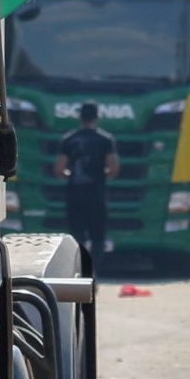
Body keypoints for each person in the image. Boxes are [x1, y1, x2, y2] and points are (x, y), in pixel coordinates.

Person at [55, 101, 119, 273]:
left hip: (74, 194)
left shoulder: (68, 139)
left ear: (80, 117)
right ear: (97, 117)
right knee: (98, 237)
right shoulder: (106, 140)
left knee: (77, 237)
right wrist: (100, 176)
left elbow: (60, 169)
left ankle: (80, 270)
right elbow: (113, 169)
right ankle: (93, 271)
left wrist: (71, 175)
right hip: (96, 194)